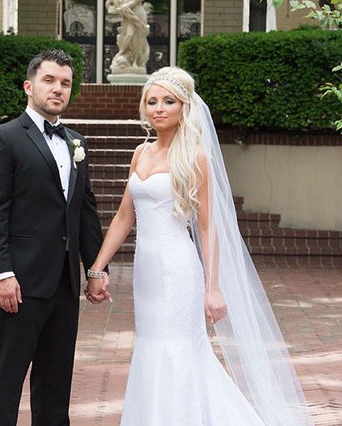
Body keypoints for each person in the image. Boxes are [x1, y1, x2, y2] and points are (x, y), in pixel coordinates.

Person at [86, 66, 314, 425]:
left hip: (179, 272)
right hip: (147, 275)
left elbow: (208, 228)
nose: (158, 108)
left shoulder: (195, 158)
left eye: (168, 101)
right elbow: (123, 218)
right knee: (150, 348)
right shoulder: (139, 153)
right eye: (152, 101)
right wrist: (97, 269)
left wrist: (213, 288)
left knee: (178, 349)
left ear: (183, 108)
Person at [0, 49, 109, 426]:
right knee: (7, 378)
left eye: (65, 83)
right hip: (19, 282)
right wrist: (1, 273)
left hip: (64, 285)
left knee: (55, 384)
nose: (58, 89)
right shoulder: (1, 138)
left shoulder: (76, 142)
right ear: (29, 86)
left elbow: (84, 212)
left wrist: (96, 270)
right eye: (50, 80)